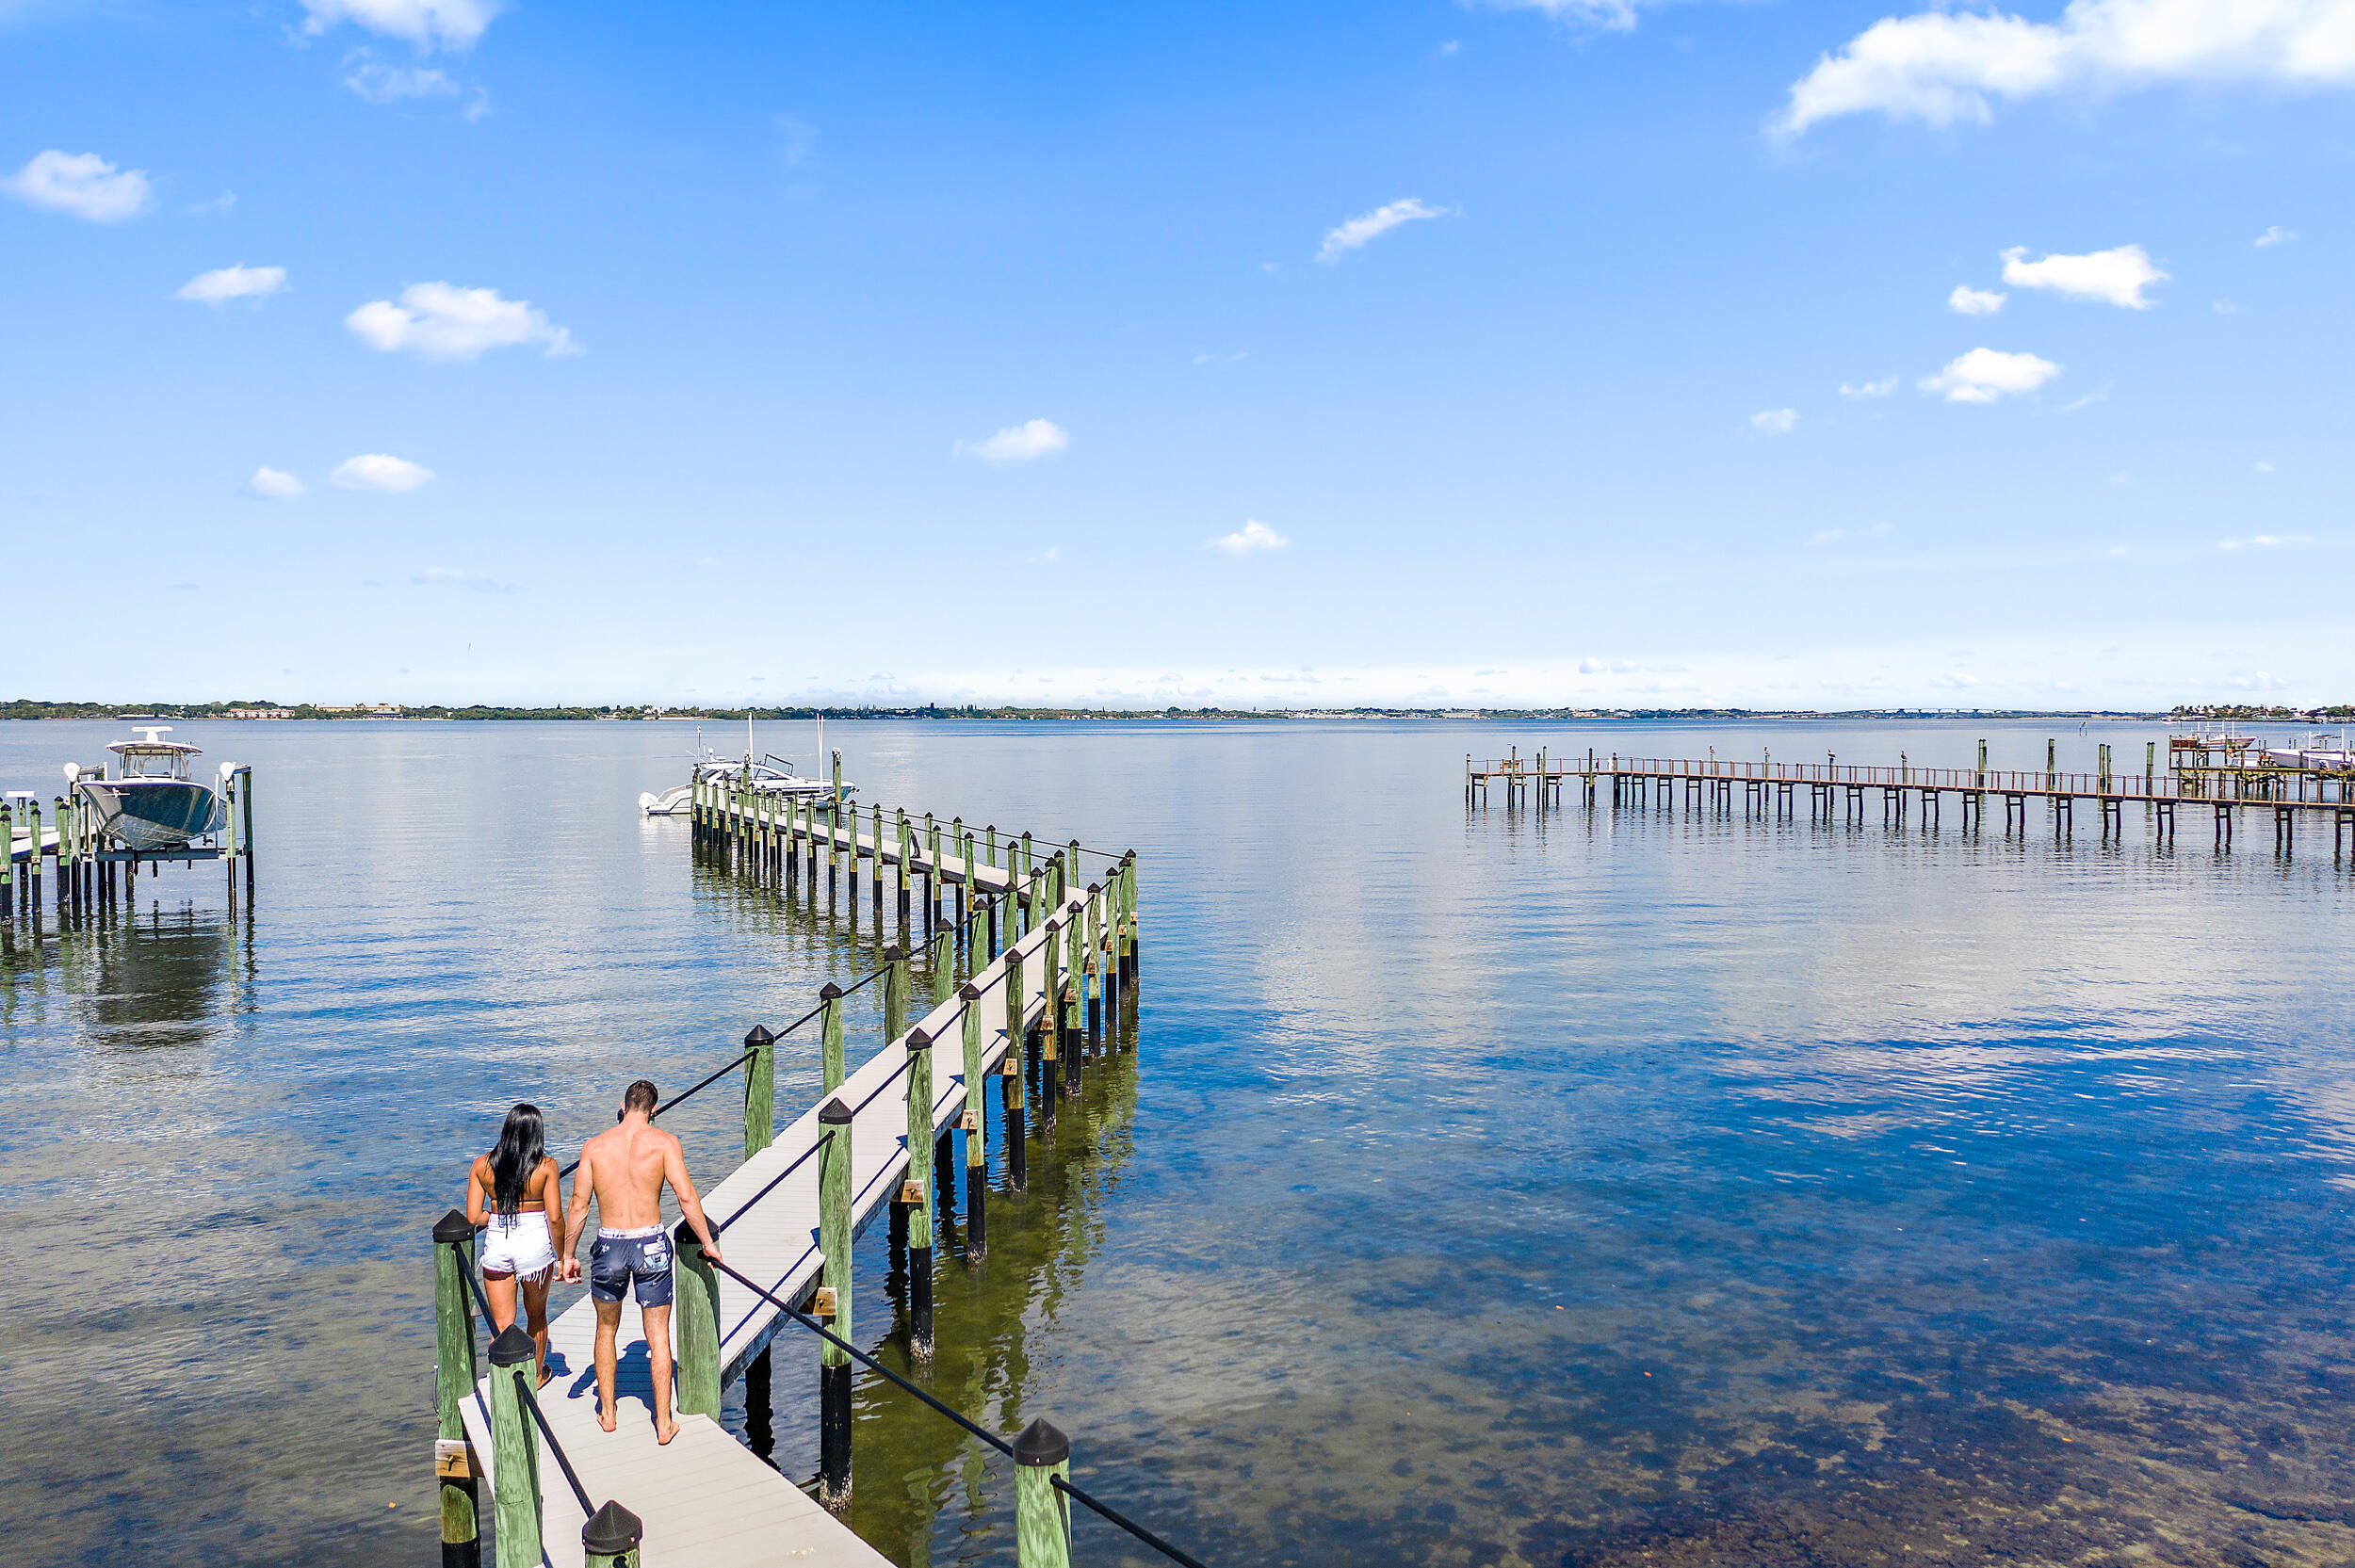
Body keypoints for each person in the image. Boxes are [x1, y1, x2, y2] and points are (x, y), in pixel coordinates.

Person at [563, 1079, 724, 1444]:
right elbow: (686, 1197)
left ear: (622, 1107)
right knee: (658, 1336)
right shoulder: (665, 1143)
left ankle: (608, 1414)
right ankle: (663, 1423)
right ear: (654, 1110)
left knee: (606, 1329)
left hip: (609, 1245)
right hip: (650, 1243)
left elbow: (578, 1205)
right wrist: (707, 1242)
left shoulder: (594, 1147)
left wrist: (568, 1256)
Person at [465, 1103, 568, 1387]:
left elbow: (473, 1217)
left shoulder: (481, 1165)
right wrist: (562, 1256)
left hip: (498, 1243)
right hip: (535, 1245)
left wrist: (495, 1217)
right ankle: (536, 1376)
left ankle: (503, 1382)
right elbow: (555, 1218)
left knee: (501, 1323)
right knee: (536, 1315)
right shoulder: (546, 1167)